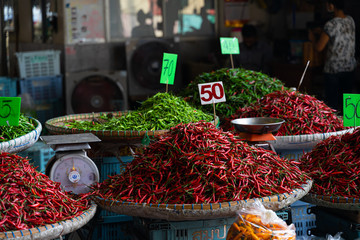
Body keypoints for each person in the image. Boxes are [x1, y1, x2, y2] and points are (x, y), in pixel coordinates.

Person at [309, 0, 357, 112]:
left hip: (333, 70)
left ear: (331, 6)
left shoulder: (330, 24)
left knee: (332, 107)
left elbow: (319, 47)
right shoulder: (350, 20)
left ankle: (335, 128)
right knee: (350, 105)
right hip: (350, 67)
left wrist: (312, 38)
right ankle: (354, 127)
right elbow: (341, 33)